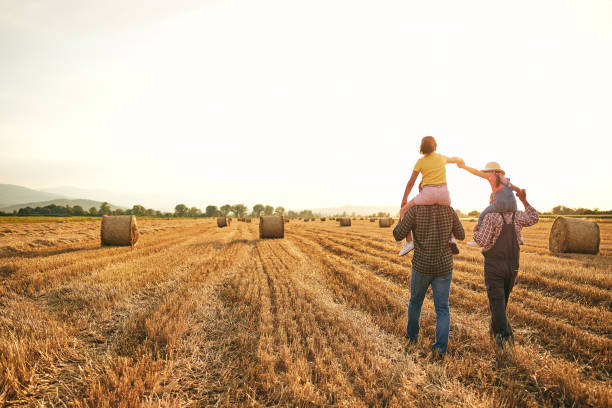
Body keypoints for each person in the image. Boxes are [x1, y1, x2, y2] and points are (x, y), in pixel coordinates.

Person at [393, 202, 465, 359]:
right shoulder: (449, 210)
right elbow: (462, 235)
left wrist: (402, 215)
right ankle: (440, 349)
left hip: (421, 267)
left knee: (415, 303)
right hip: (444, 267)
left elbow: (398, 234)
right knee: (442, 309)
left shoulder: (415, 211)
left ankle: (412, 339)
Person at [473, 188, 538, 348]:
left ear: (493, 202)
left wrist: (475, 231)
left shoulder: (491, 217)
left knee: (497, 302)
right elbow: (535, 217)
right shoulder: (518, 216)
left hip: (494, 265)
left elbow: (481, 241)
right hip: (513, 265)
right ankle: (494, 331)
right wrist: (524, 200)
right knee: (502, 302)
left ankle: (504, 336)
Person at [398, 136, 463, 256]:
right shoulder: (441, 157)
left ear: (422, 148)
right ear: (435, 146)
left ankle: (409, 242)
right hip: (444, 194)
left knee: (403, 211)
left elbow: (411, 182)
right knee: (447, 211)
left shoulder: (420, 162)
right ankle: (452, 238)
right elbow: (455, 159)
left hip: (428, 193)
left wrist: (404, 199)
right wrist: (460, 160)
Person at [457, 161, 522, 247]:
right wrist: (520, 193)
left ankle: (479, 239)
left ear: (491, 171)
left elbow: (475, 172)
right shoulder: (505, 180)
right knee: (511, 220)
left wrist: (464, 167)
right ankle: (519, 236)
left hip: (500, 204)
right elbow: (517, 188)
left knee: (482, 216)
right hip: (513, 206)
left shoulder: (491, 175)